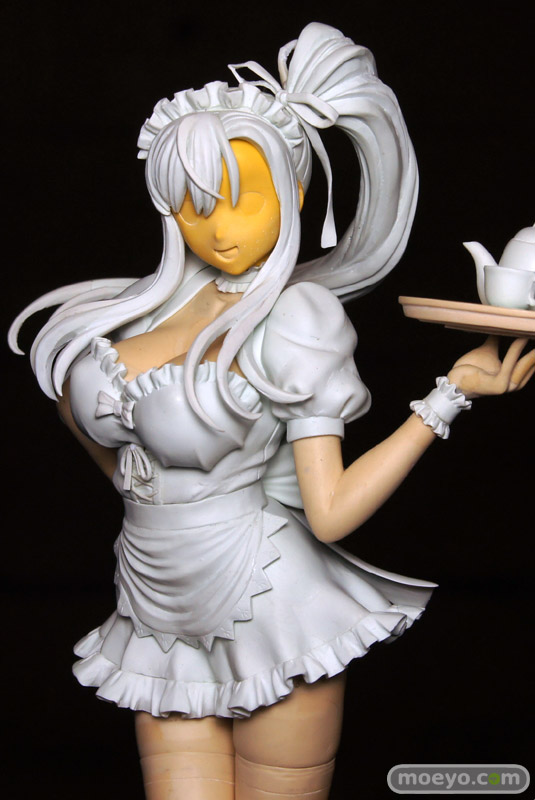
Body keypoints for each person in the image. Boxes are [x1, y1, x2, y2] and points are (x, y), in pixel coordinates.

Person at [9, 22, 534, 800]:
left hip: (266, 599)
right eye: (192, 205)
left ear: (294, 195)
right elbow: (88, 425)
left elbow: (329, 512)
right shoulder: (129, 317)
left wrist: (446, 396)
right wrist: (153, 488)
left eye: (243, 199)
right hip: (153, 604)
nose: (218, 227)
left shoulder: (296, 318)